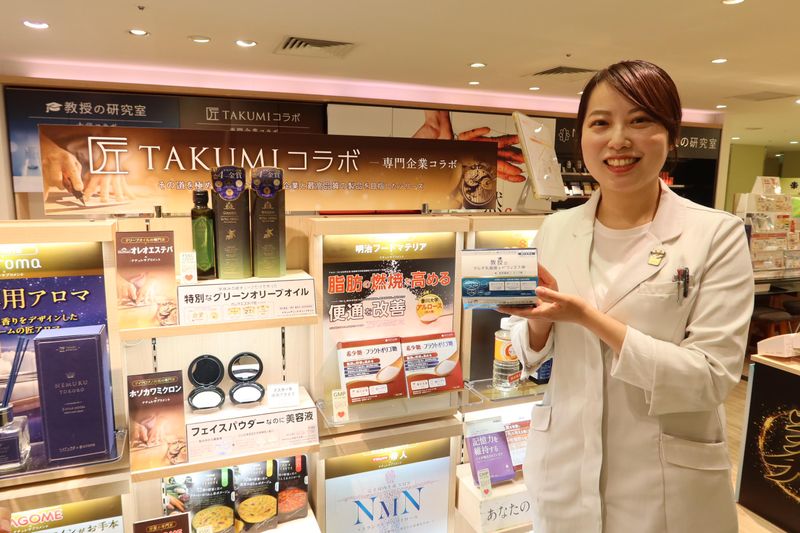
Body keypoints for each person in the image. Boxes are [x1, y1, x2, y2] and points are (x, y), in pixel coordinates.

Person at [499, 60, 753, 533]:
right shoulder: (556, 229)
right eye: (600, 123)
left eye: (639, 121)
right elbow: (530, 355)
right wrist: (538, 322)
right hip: (565, 469)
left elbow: (711, 377)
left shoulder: (715, 234)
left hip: (666, 483)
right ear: (582, 137)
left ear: (671, 136)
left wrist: (588, 317)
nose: (618, 140)